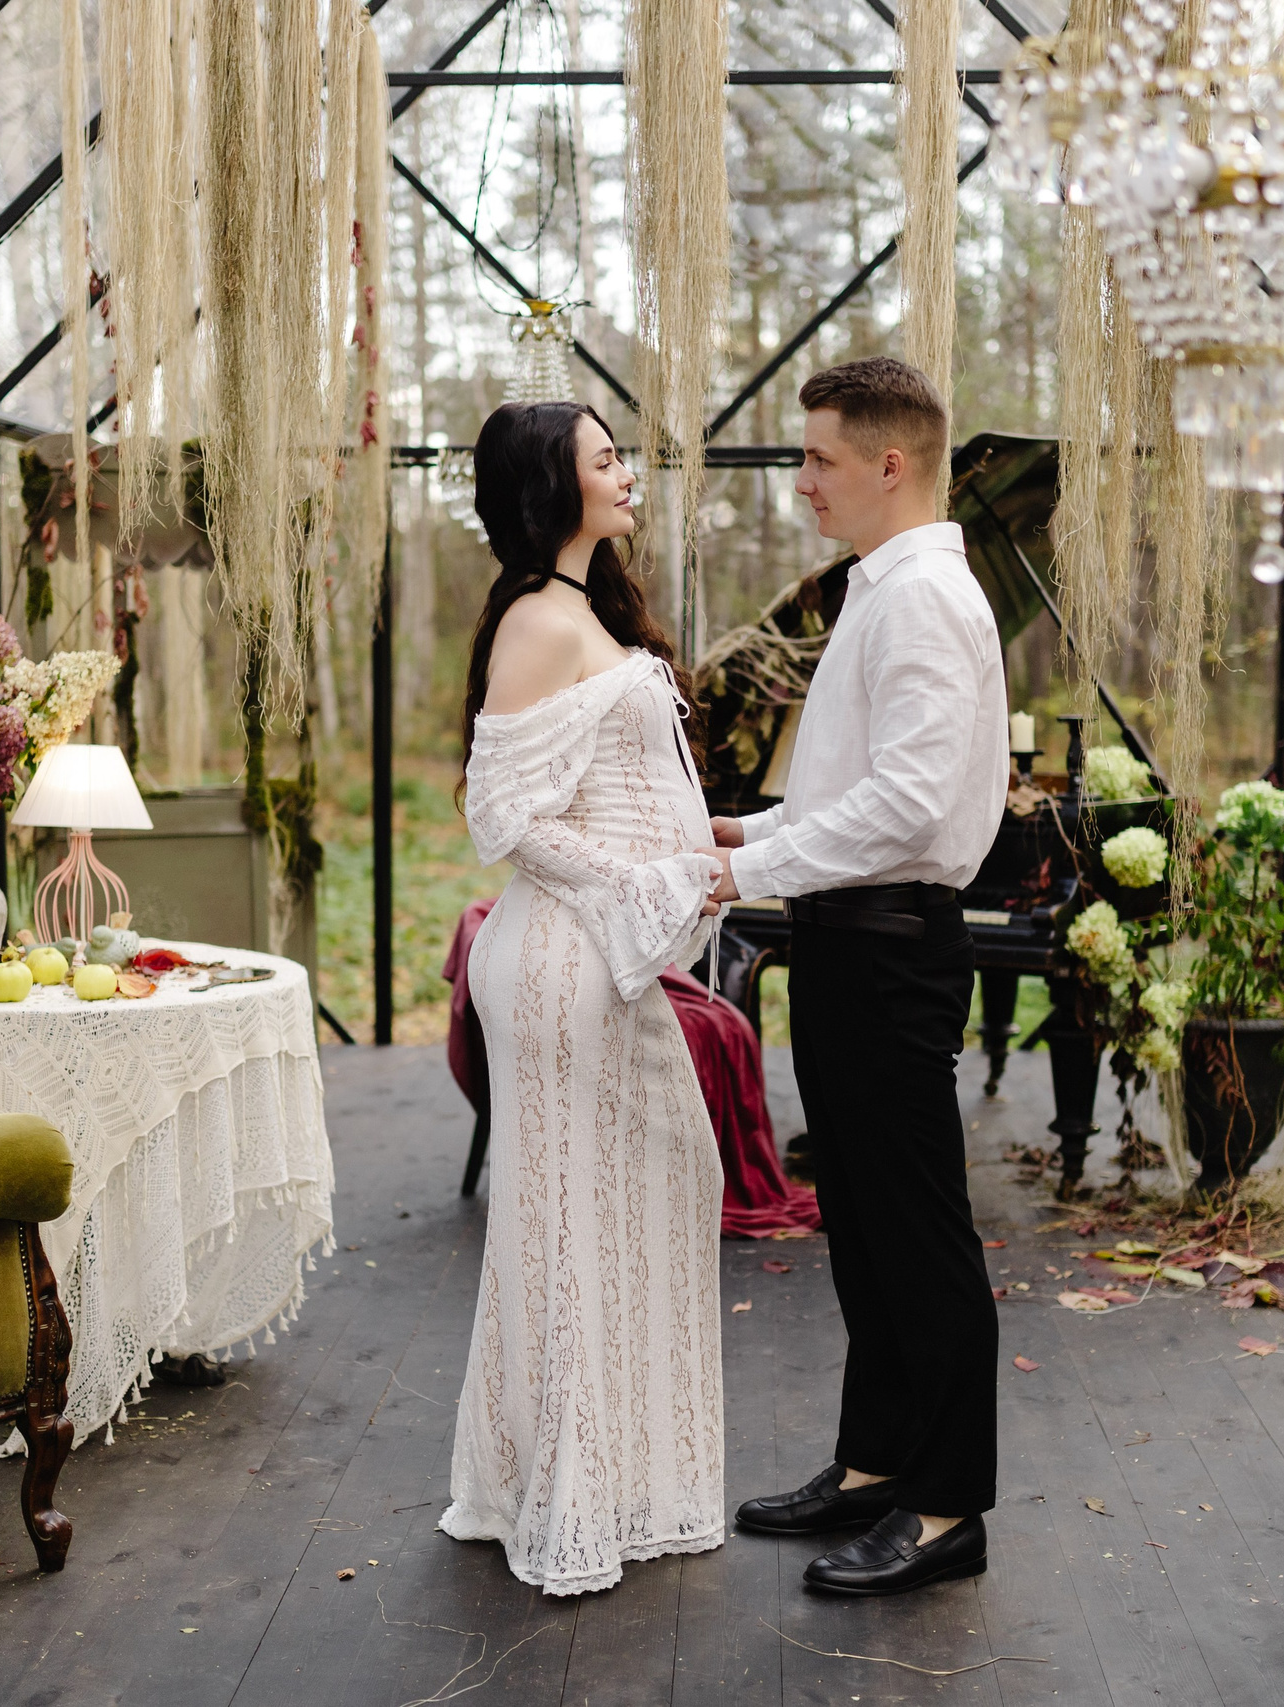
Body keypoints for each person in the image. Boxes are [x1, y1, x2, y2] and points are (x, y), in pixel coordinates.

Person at [702, 357, 1008, 1597]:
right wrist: (756, 831)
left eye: (820, 456)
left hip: (888, 946)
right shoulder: (882, 589)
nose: (803, 480)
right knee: (866, 1234)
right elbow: (863, 783)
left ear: (891, 463)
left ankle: (944, 1510)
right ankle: (878, 1462)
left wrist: (760, 857)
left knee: (917, 1236)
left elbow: (915, 804)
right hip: (845, 935)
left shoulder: (926, 596)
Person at [439, 400, 730, 1596]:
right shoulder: (536, 619)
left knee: (651, 1188)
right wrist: (650, 876)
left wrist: (689, 841)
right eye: (603, 459)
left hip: (597, 953)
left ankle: (608, 1477)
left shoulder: (587, 612)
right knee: (566, 1219)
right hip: (560, 959)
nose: (626, 473)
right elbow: (499, 816)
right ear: (551, 488)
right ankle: (561, 1495)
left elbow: (599, 784)